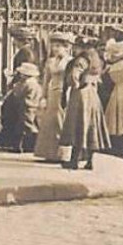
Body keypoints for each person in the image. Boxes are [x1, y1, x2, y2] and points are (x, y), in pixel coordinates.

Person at [60, 52, 109, 170]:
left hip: (81, 96)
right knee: (92, 127)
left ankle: (74, 160)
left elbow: (74, 76)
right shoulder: (96, 61)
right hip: (92, 95)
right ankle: (89, 161)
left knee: (77, 126)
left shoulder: (80, 61)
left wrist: (75, 85)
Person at [34, 32, 74, 163]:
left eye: (58, 46)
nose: (55, 49)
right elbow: (46, 79)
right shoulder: (50, 61)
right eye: (54, 46)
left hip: (64, 93)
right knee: (50, 123)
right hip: (52, 92)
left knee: (61, 122)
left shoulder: (70, 61)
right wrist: (43, 96)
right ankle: (49, 153)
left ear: (66, 47)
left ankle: (63, 154)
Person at [0, 62, 42, 153]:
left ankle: (25, 145)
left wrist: (24, 101)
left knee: (26, 126)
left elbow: (32, 97)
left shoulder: (32, 85)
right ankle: (17, 144)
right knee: (19, 126)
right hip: (19, 107)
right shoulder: (21, 83)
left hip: (28, 108)